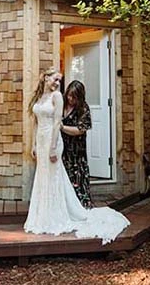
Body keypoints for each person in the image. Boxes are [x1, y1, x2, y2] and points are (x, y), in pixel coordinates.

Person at [23, 67, 129, 244]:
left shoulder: (57, 97)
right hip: (41, 141)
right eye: (55, 79)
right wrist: (34, 144)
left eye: (59, 81)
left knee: (54, 177)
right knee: (42, 177)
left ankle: (56, 215)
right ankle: (41, 215)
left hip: (52, 140)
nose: (57, 84)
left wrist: (52, 147)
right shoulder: (39, 97)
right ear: (45, 77)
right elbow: (36, 122)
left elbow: (57, 122)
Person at [60, 80, 93, 209]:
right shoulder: (61, 103)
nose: (71, 99)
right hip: (62, 147)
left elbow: (81, 129)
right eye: (69, 95)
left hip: (76, 149)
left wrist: (62, 127)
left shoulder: (84, 108)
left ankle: (80, 206)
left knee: (77, 176)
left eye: (74, 97)